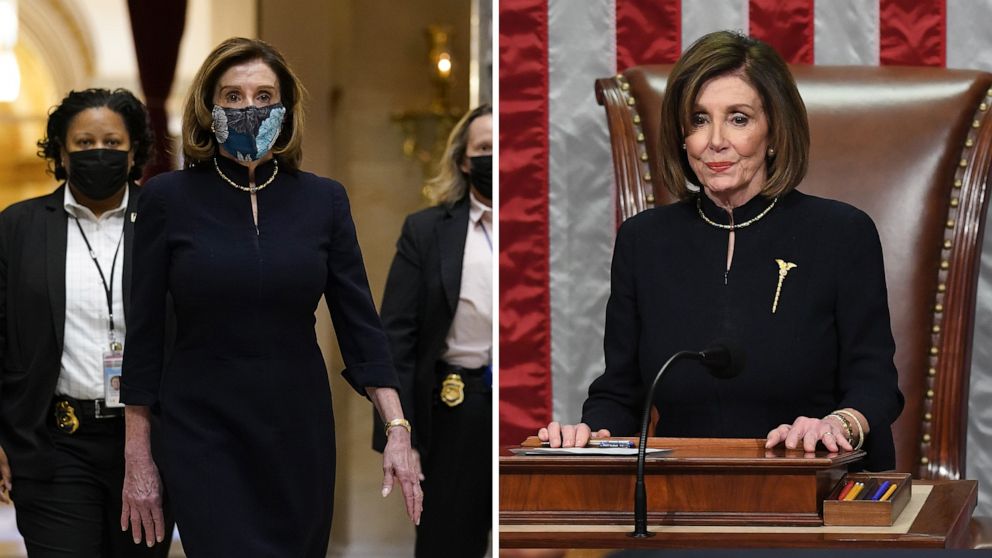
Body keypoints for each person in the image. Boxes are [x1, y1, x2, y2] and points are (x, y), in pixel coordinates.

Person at [538, 30, 904, 471]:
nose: (715, 140)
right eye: (698, 119)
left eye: (738, 118)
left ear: (774, 130)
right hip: (683, 496)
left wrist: (838, 425)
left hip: (814, 490)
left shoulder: (843, 233)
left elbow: (876, 382)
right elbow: (622, 391)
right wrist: (588, 436)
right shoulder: (644, 241)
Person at [119, 37, 422, 556]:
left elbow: (360, 324)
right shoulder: (166, 198)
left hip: (297, 425)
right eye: (232, 97)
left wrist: (397, 428)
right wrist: (138, 458)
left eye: (263, 96)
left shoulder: (323, 200)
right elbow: (143, 336)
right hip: (201, 427)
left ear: (284, 111)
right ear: (207, 107)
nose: (247, 108)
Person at [0, 88, 173, 557]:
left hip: (151, 444)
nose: (100, 153)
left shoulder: (167, 221)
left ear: (134, 150)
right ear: (60, 151)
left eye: (113, 143)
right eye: (83, 143)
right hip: (56, 444)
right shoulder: (18, 228)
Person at [373, 105, 493, 557]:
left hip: (525, 407)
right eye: (484, 149)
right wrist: (402, 435)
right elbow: (396, 338)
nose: (493, 159)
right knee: (448, 542)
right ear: (464, 160)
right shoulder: (425, 231)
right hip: (454, 407)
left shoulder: (539, 226)